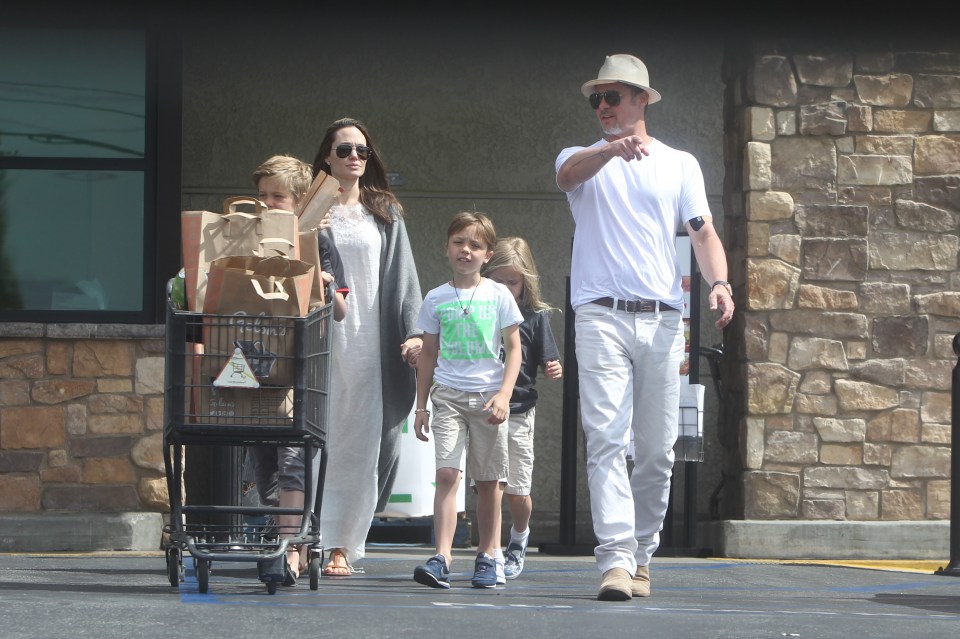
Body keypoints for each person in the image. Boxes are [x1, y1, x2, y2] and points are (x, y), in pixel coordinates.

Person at [555, 54, 735, 601]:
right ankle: (613, 559)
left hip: (663, 318)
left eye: (614, 98)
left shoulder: (681, 163)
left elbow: (701, 232)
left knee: (657, 450)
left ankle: (640, 556)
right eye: (597, 100)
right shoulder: (581, 157)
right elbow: (567, 176)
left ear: (641, 100)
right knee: (606, 439)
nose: (604, 108)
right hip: (599, 315)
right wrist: (609, 151)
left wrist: (720, 283)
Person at [310, 118, 423, 576]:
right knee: (317, 441)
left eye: (363, 151)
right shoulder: (310, 210)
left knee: (361, 444)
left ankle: (342, 544)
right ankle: (306, 538)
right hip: (320, 343)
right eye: (344, 150)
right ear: (326, 159)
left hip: (369, 346)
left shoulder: (384, 212)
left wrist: (415, 332)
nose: (355, 157)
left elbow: (406, 280)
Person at [245, 154, 349, 585]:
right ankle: (290, 540)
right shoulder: (244, 236)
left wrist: (323, 283)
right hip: (252, 361)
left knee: (293, 455)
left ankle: (289, 550)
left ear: (301, 200)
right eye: (263, 196)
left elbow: (341, 310)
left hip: (301, 361)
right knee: (262, 461)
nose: (269, 204)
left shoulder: (319, 241)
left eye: (279, 197)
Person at [411, 212, 523, 589]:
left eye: (475, 245)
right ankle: (441, 556)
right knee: (446, 474)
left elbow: (513, 349)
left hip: (489, 400)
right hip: (448, 398)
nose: (466, 250)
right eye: (459, 241)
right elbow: (427, 354)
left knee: (489, 482)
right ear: (447, 247)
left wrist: (504, 394)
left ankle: (488, 555)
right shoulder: (436, 298)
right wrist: (421, 405)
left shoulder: (498, 294)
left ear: (487, 254)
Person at [480, 237, 562, 581]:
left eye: (511, 282)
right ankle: (492, 551)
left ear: (524, 282)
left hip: (519, 409)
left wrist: (552, 365)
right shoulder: (477, 307)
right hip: (483, 409)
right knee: (490, 486)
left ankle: (519, 536)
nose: (504, 288)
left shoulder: (534, 316)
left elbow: (547, 356)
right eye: (497, 280)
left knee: (517, 492)